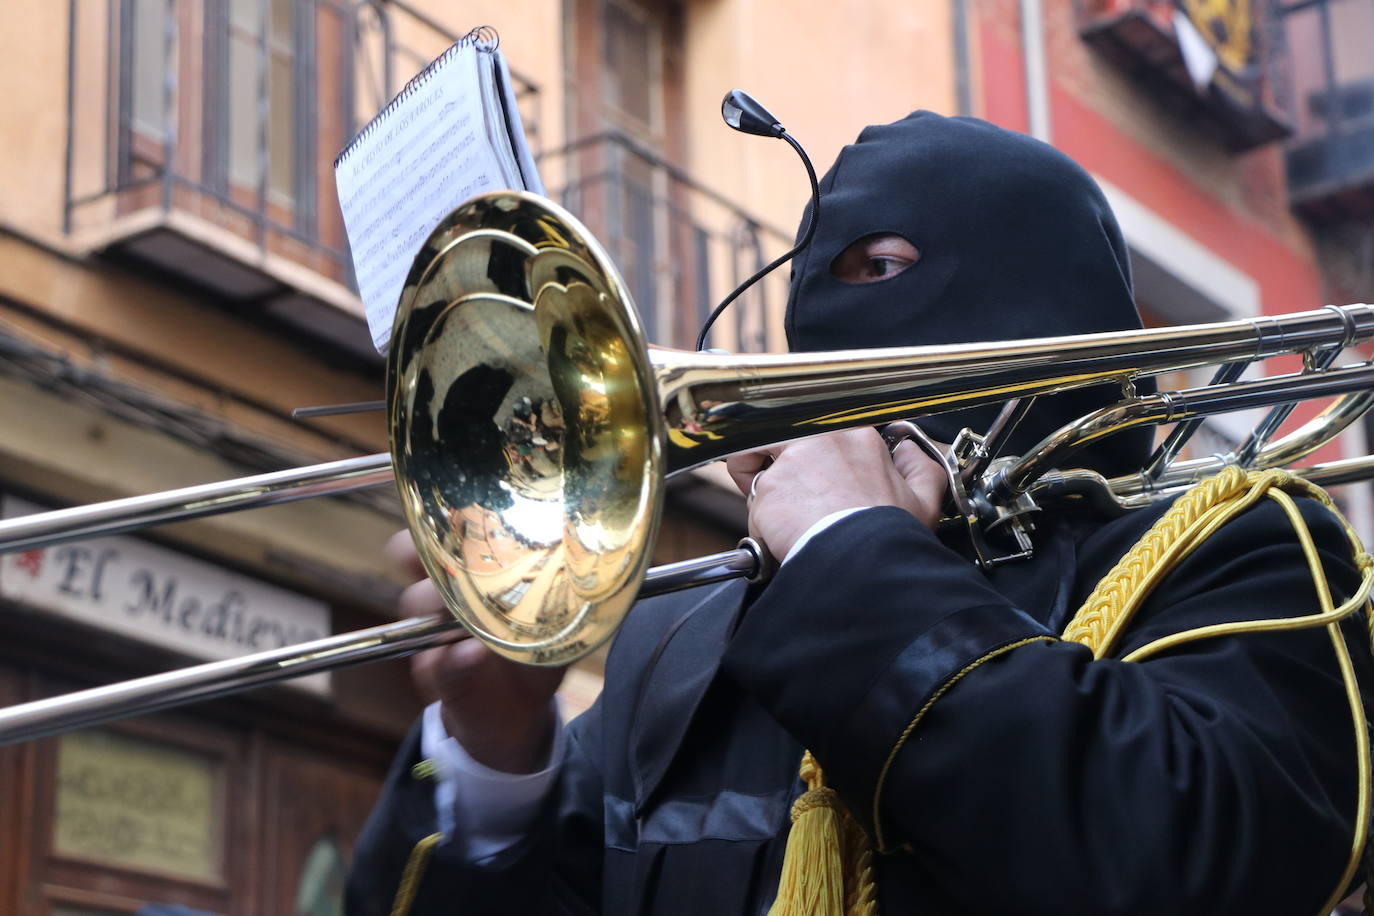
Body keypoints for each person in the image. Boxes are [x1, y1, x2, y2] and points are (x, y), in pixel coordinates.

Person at [345, 111, 1373, 915]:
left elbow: (1191, 862)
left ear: (1043, 289)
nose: (832, 323)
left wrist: (847, 554)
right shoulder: (682, 638)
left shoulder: (1249, 549)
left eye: (885, 268)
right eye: (817, 285)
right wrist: (496, 760)